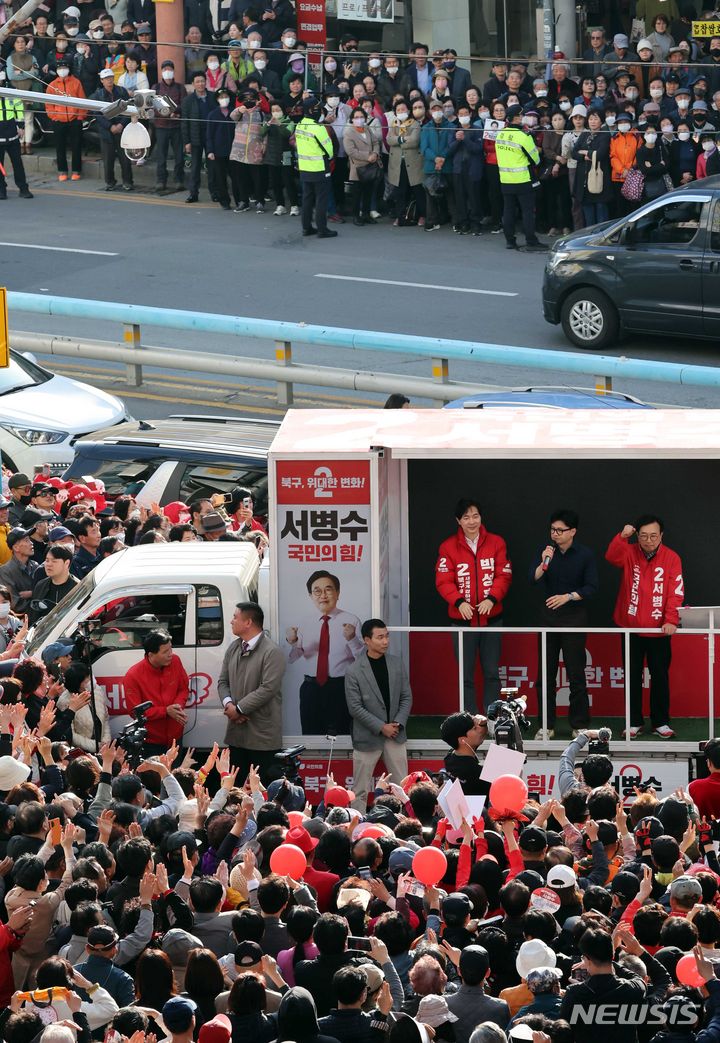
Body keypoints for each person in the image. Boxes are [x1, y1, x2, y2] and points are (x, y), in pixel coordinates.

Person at [606, 515, 684, 738]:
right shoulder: (629, 552)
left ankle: (661, 722)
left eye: (653, 536)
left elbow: (675, 592)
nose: (649, 540)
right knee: (632, 675)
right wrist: (622, 537)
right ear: (637, 536)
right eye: (643, 536)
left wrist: (670, 620)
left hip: (659, 629)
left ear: (661, 536)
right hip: (630, 627)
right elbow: (611, 556)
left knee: (660, 675)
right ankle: (634, 722)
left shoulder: (671, 558)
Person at [435, 498, 512, 713]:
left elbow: (503, 575)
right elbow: (443, 580)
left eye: (475, 516)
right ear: (458, 521)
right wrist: (459, 602)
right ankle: (470, 719)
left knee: (491, 672)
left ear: (481, 517)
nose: (472, 521)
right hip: (461, 622)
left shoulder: (497, 542)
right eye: (466, 517)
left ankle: (492, 718)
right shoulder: (448, 547)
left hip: (492, 619)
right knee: (465, 675)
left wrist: (492, 598)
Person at [531, 509, 598, 738]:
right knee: (545, 675)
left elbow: (591, 587)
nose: (555, 534)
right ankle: (546, 726)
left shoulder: (585, 555)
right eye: (553, 530)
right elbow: (534, 577)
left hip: (574, 618)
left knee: (576, 674)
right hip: (548, 619)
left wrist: (568, 596)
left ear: (573, 532)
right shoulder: (546, 552)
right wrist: (543, 562)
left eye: (560, 530)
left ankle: (578, 724)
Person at [344, 619, 413, 813]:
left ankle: (404, 823)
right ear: (367, 640)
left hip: (395, 735)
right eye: (380, 637)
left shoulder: (396, 663)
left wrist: (398, 723)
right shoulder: (354, 671)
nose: (385, 641)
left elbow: (406, 696)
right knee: (360, 790)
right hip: (367, 738)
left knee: (402, 787)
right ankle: (358, 826)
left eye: (387, 636)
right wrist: (382, 726)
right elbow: (355, 708)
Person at [286, 569, 363, 735]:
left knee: (342, 736)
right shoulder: (303, 622)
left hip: (340, 688)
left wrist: (352, 639)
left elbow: (363, 660)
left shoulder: (351, 620)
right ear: (310, 596)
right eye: (317, 591)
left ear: (338, 593)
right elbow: (291, 659)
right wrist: (292, 643)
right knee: (310, 734)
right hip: (310, 688)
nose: (323, 595)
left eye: (328, 589)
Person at [218, 601, 285, 780]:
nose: (231, 621)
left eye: (235, 617)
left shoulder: (271, 651)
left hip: (262, 738)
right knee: (234, 789)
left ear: (248, 622)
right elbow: (222, 682)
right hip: (236, 736)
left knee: (262, 790)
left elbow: (268, 688)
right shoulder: (234, 648)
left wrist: (239, 709)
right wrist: (229, 705)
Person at [124, 629, 190, 756]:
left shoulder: (175, 661)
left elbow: (183, 688)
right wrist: (165, 711)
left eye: (171, 649)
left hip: (175, 737)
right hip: (150, 742)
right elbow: (135, 711)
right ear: (151, 655)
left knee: (175, 774)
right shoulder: (133, 675)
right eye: (165, 652)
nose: (170, 654)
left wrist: (177, 707)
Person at [494, 104, 546, 251]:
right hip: (523, 180)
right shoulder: (524, 136)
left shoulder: (500, 134)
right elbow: (535, 159)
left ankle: (510, 241)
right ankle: (531, 240)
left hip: (505, 180)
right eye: (521, 115)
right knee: (528, 212)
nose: (524, 117)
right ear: (516, 117)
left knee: (508, 211)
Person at [296, 95, 337, 238]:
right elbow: (329, 150)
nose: (320, 111)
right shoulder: (318, 128)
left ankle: (306, 228)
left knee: (307, 199)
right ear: (313, 110)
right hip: (319, 168)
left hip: (304, 168)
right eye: (318, 108)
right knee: (321, 199)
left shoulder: (300, 125)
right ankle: (322, 229)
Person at [45, 57, 87, 182]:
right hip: (59, 120)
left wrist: (80, 117)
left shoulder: (76, 82)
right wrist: (54, 117)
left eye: (64, 68)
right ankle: (62, 171)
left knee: (76, 146)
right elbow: (48, 104)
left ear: (69, 69)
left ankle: (76, 170)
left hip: (75, 120)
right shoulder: (52, 85)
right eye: (60, 68)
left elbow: (82, 101)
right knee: (60, 146)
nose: (62, 70)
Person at [91, 68, 133, 191]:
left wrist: (121, 125)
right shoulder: (98, 95)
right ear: (102, 80)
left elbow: (128, 109)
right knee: (108, 160)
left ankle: (128, 181)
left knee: (125, 159)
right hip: (106, 132)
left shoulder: (121, 91)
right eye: (106, 79)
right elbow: (97, 115)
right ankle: (110, 182)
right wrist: (110, 127)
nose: (109, 80)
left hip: (122, 129)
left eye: (110, 78)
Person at [153, 60, 186, 195]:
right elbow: (153, 106)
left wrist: (175, 112)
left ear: (173, 71)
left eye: (170, 69)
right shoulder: (156, 88)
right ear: (161, 72)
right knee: (161, 156)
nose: (168, 72)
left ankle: (179, 180)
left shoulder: (180, 88)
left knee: (179, 156)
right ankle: (161, 180)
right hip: (161, 126)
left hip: (176, 126)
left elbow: (184, 104)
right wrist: (167, 114)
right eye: (165, 69)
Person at [440, 710, 490, 796]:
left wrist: (483, 723)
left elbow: (481, 734)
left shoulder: (450, 757)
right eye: (475, 728)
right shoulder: (477, 773)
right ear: (462, 740)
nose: (479, 730)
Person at [182, 71, 213, 203]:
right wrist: (187, 141)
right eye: (197, 82)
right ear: (193, 84)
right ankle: (193, 193)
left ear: (206, 82)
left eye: (202, 81)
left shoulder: (212, 97)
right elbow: (185, 122)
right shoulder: (188, 100)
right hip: (195, 136)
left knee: (212, 166)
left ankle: (215, 192)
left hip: (210, 135)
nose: (200, 84)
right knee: (195, 167)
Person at [29, 544, 79, 624]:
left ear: (66, 563)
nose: (48, 564)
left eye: (54, 561)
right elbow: (33, 616)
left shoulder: (78, 588)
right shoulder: (41, 585)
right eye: (47, 560)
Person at [0, 80, 33, 200]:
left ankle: (23, 188)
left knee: (17, 163)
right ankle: (1, 190)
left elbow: (18, 106)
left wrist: (21, 126)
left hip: (12, 133)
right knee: (0, 166)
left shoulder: (11, 90)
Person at [0, 527, 38, 615]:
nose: (31, 543)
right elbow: (15, 604)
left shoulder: (35, 566)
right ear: (16, 548)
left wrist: (31, 593)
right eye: (26, 540)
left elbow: (45, 591)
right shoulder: (5, 571)